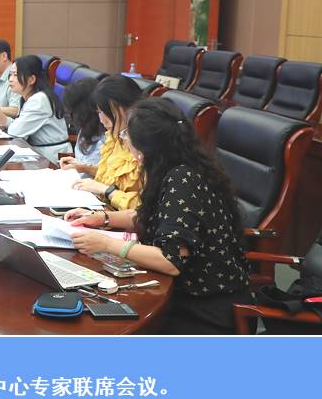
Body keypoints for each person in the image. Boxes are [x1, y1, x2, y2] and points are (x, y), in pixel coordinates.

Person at [66, 98, 249, 334]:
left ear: (146, 148)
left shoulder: (182, 180)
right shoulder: (178, 165)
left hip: (204, 308)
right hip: (183, 293)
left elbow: (170, 261)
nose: (125, 140)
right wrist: (103, 218)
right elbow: (154, 215)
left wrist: (107, 244)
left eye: (127, 135)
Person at [67, 75, 143, 210]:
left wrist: (105, 190)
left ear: (122, 109)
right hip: (105, 210)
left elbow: (143, 208)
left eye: (104, 113)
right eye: (98, 113)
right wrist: (85, 168)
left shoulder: (146, 145)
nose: (101, 120)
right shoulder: (117, 136)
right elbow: (116, 178)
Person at [0, 55, 71, 163]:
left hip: (52, 159)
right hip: (39, 154)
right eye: (10, 74)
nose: (10, 79)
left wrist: (1, 114)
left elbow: (15, 132)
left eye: (16, 75)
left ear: (32, 79)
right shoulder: (27, 96)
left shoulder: (39, 100)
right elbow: (19, 125)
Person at [60, 77, 105, 175]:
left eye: (72, 110)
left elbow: (106, 175)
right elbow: (83, 163)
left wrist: (83, 168)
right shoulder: (84, 129)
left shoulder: (107, 137)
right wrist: (76, 164)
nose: (70, 115)